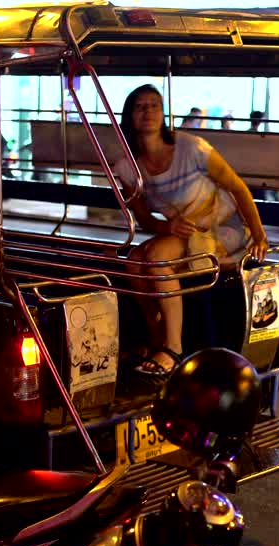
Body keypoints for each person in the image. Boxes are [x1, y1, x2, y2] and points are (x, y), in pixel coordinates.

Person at [113, 85, 268, 381]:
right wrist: (167, 227)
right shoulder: (128, 166)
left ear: (163, 113)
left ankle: (173, 349)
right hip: (185, 232)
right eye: (140, 106)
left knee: (157, 257)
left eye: (154, 105)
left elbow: (238, 188)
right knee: (133, 261)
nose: (148, 111)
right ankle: (156, 338)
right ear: (129, 115)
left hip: (224, 229)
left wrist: (260, 235)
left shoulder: (192, 148)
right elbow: (144, 219)